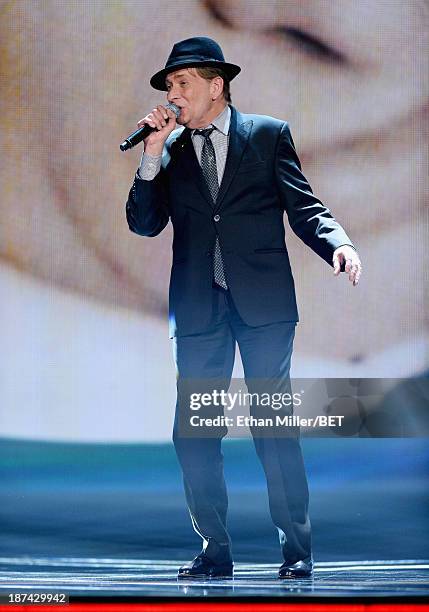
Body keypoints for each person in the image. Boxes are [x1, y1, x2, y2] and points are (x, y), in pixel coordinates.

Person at [125, 36, 362, 580]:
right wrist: (152, 154)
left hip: (263, 305)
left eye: (182, 83)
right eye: (168, 86)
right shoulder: (172, 150)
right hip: (198, 308)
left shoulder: (267, 135)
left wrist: (338, 244)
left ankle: (297, 549)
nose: (174, 94)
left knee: (272, 425)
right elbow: (143, 223)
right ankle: (214, 548)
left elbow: (305, 206)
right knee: (196, 432)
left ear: (217, 84)